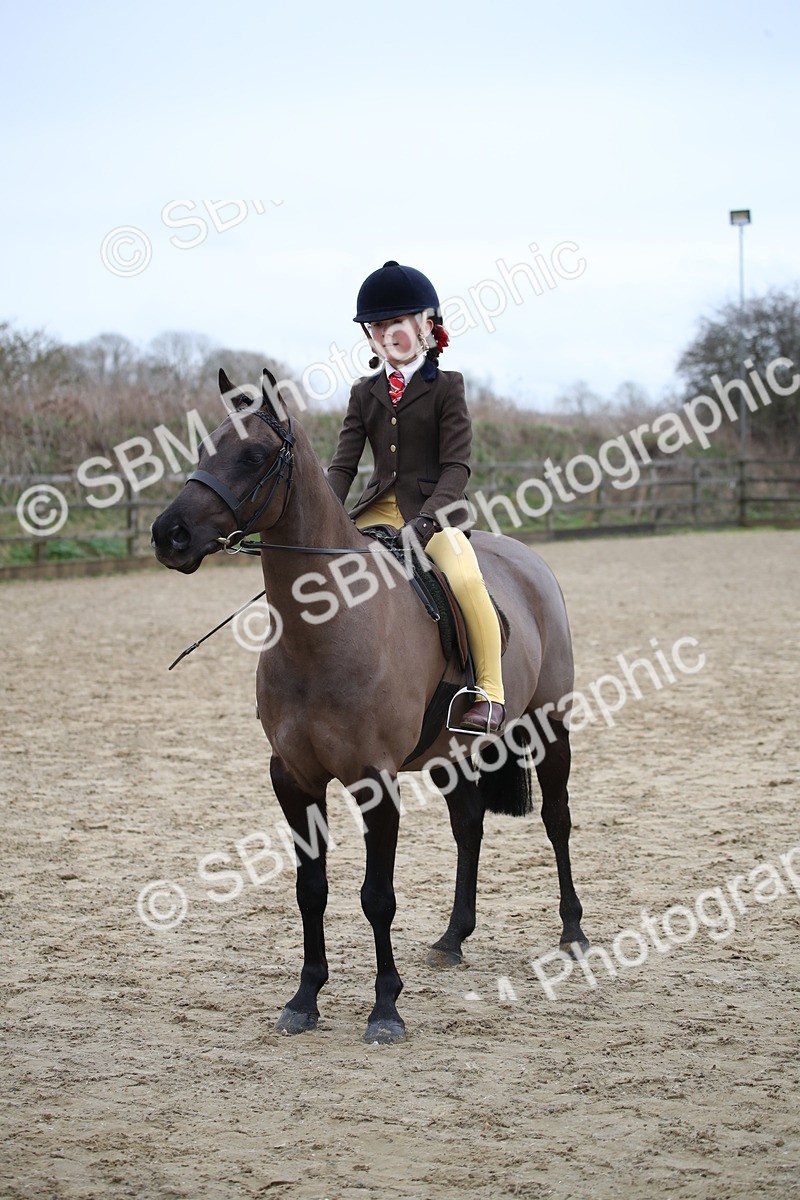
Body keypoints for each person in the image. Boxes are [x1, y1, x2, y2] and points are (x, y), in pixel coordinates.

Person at [327, 260, 505, 734]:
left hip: (435, 515)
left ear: (426, 327)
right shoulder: (363, 393)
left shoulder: (448, 387)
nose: (384, 334)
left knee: (466, 580)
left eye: (395, 324)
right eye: (377, 326)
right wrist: (321, 513)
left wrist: (426, 522)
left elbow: (457, 467)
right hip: (375, 510)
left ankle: (490, 692)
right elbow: (343, 465)